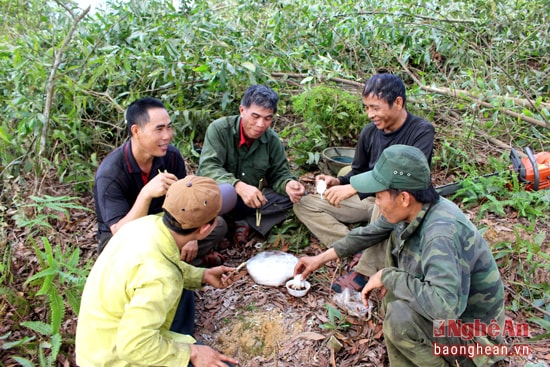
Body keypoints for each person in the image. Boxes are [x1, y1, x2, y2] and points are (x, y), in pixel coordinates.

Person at [294, 145, 505, 367]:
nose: (375, 202)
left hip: (473, 339)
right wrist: (319, 259)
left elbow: (444, 307)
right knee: (394, 301)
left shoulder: (440, 234)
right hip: (449, 320)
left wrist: (388, 276)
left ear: (404, 198)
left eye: (378, 195)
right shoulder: (414, 210)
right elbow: (367, 234)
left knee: (399, 317)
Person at [76, 176, 240, 367]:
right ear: (204, 229)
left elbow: (165, 265)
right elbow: (132, 347)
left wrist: (202, 275)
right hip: (112, 358)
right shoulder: (160, 277)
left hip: (99, 340)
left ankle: (176, 337)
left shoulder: (144, 224)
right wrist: (192, 352)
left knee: (182, 287)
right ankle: (176, 344)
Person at [293, 73, 435, 293]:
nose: (370, 114)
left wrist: (354, 187)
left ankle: (365, 269)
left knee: (385, 201)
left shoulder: (421, 131)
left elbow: (406, 178)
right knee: (305, 203)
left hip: (397, 201)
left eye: (375, 108)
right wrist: (338, 181)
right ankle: (354, 246)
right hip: (367, 199)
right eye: (367, 107)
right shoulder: (370, 132)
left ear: (398, 102)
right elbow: (358, 170)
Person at [93, 96, 229, 267]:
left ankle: (176, 262)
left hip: (162, 225)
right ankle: (187, 264)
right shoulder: (111, 173)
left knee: (216, 225)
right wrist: (146, 194)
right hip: (122, 241)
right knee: (134, 256)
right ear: (136, 131)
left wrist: (191, 236)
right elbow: (120, 233)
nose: (167, 136)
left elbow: (183, 204)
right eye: (159, 129)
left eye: (169, 127)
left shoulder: (171, 157)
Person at [197, 84, 305, 245]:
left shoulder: (272, 140)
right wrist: (237, 186)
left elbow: (279, 174)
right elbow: (208, 167)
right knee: (212, 208)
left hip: (253, 202)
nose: (261, 124)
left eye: (267, 118)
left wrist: (289, 184)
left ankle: (247, 223)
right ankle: (224, 227)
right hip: (220, 200)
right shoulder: (220, 129)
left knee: (294, 199)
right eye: (255, 116)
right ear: (242, 110)